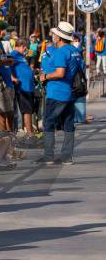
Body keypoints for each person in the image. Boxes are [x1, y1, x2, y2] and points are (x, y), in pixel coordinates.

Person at [35, 21, 81, 166]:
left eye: (55, 34)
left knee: (48, 123)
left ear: (59, 38)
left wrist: (45, 77)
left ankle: (49, 156)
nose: (53, 36)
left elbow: (60, 73)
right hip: (69, 92)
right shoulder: (74, 51)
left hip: (57, 92)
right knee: (68, 124)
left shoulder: (61, 52)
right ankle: (67, 157)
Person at [10, 38, 37, 137]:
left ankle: (30, 133)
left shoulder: (20, 56)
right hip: (23, 87)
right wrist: (12, 77)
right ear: (21, 46)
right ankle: (30, 134)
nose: (26, 50)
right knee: (27, 110)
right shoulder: (13, 54)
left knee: (29, 110)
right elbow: (7, 67)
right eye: (25, 48)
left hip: (28, 86)